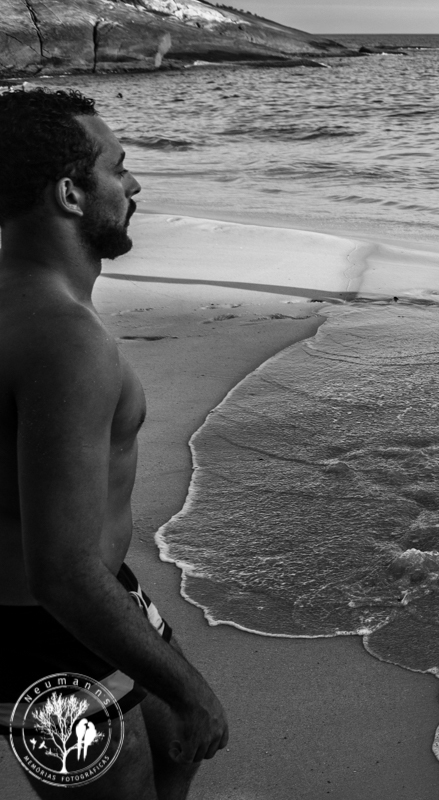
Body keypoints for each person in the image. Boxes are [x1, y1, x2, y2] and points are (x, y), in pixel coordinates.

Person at [0, 88, 228, 797]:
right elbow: (62, 571)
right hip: (44, 637)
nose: (133, 185)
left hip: (98, 600)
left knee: (173, 751)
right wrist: (193, 688)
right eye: (118, 167)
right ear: (70, 193)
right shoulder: (64, 340)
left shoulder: (28, 303)